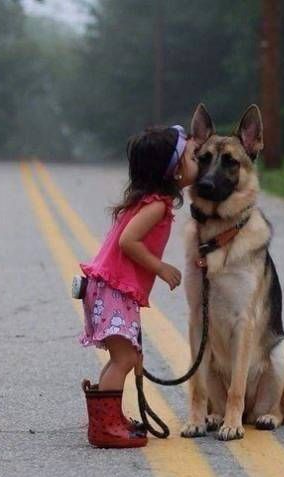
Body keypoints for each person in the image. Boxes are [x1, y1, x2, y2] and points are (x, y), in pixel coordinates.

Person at [79, 125, 199, 448]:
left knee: (125, 357)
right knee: (124, 360)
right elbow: (128, 241)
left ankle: (107, 420)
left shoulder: (151, 201)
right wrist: (160, 268)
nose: (198, 160)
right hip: (111, 290)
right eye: (192, 156)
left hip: (109, 289)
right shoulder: (156, 206)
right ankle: (105, 428)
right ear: (175, 172)